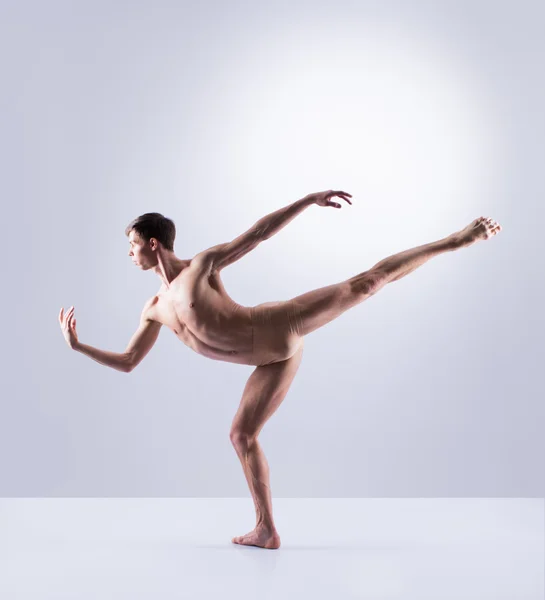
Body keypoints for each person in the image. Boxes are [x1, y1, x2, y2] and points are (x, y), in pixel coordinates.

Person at [59, 190, 502, 549]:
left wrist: (307, 201)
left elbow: (257, 235)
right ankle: (266, 530)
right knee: (241, 435)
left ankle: (456, 240)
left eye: (132, 244)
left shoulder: (201, 267)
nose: (129, 253)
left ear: (152, 243)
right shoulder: (154, 309)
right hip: (273, 360)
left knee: (365, 285)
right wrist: (79, 347)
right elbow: (130, 362)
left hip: (279, 323)